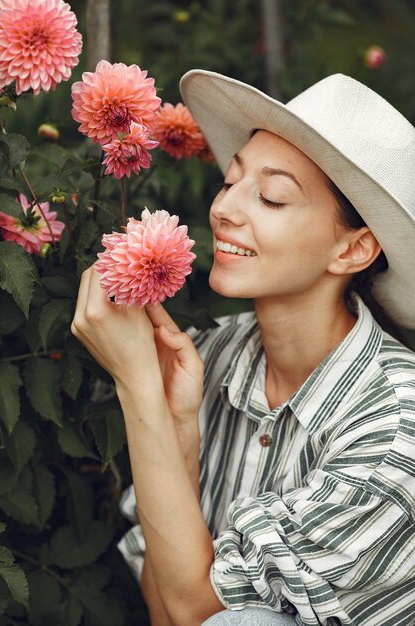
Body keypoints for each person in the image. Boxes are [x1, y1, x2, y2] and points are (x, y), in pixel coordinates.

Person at [71, 71, 415, 626]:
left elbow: (202, 615)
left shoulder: (398, 428)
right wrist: (177, 428)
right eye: (231, 181)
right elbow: (166, 612)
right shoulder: (211, 352)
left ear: (353, 251)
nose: (225, 209)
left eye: (273, 198)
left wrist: (137, 386)